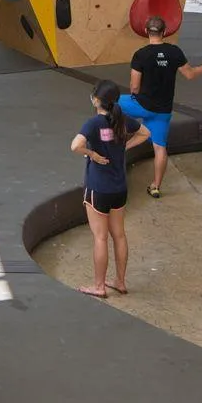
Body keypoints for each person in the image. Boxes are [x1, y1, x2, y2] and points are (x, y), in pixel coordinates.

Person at [69, 79, 152, 298]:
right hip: (119, 188)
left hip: (98, 188)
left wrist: (93, 154)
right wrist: (124, 146)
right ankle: (120, 281)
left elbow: (75, 146)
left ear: (96, 101)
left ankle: (99, 286)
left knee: (100, 237)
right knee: (119, 235)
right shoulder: (123, 121)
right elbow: (145, 133)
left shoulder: (94, 123)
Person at [120, 15, 202, 198]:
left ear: (147, 32)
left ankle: (107, 138)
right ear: (164, 32)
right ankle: (155, 186)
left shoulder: (141, 54)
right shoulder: (174, 52)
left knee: (108, 101)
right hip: (163, 110)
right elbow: (190, 74)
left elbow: (134, 86)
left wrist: (135, 99)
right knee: (159, 147)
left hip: (141, 104)